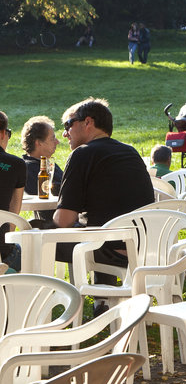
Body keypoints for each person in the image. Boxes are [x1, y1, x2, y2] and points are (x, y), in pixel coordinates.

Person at [54, 99, 155, 278]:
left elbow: (64, 221)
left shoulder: (82, 153)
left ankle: (34, 301)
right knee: (99, 229)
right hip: (144, 248)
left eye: (68, 124)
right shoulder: (130, 152)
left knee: (33, 240)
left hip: (107, 248)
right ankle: (103, 302)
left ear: (88, 122)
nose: (64, 133)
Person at [0, 111, 26, 271]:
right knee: (26, 250)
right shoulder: (16, 165)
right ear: (2, 133)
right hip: (3, 252)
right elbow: (13, 218)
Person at [21, 115, 64, 208]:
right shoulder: (27, 168)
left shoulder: (49, 164)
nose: (57, 142)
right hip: (53, 219)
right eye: (52, 138)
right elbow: (41, 195)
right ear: (38, 142)